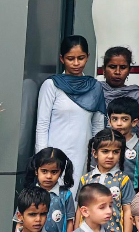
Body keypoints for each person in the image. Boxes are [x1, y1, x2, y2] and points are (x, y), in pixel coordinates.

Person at [35, 36, 106, 189]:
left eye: (81, 58)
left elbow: (98, 127)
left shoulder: (95, 87)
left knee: (78, 197)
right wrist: (42, 159)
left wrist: (96, 158)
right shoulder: (51, 85)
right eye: (70, 58)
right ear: (62, 59)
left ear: (88, 57)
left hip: (83, 154)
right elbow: (42, 125)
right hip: (54, 154)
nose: (76, 63)